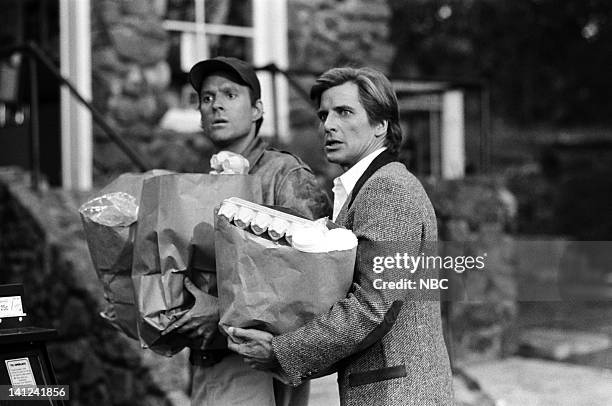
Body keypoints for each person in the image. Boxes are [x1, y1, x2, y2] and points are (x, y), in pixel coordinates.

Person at [227, 67, 454, 406]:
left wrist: (280, 351)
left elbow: (372, 308)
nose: (328, 125)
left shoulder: (388, 189)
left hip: (399, 395)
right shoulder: (362, 190)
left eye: (344, 112)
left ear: (381, 125)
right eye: (324, 114)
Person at [162, 56, 330, 406]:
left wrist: (219, 312)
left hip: (260, 369)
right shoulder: (201, 182)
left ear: (257, 110)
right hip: (207, 362)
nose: (216, 105)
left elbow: (309, 284)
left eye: (229, 94)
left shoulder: (285, 174)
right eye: (206, 99)